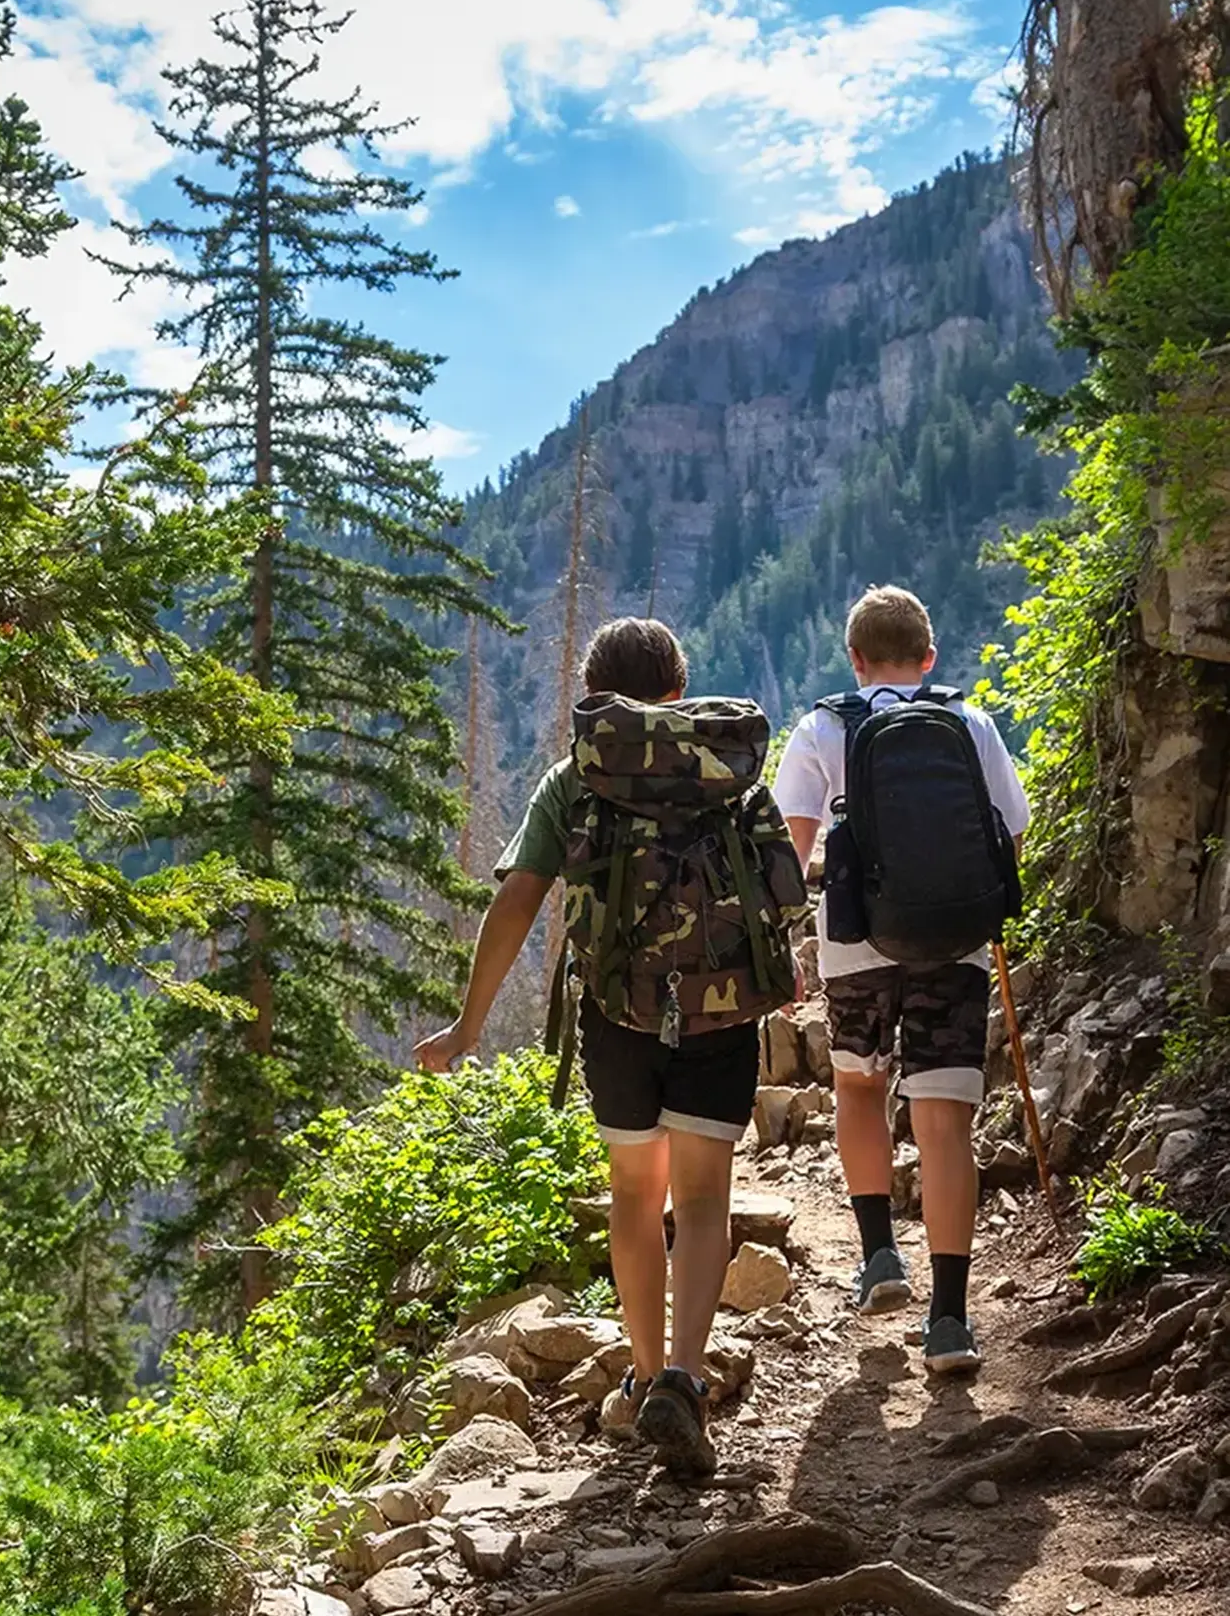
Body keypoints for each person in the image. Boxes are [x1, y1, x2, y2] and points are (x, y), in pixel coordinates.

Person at [416, 618, 793, 1476]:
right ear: (678, 689)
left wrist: (468, 1026)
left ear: (594, 695)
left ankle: (645, 1369)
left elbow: (516, 902)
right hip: (720, 1012)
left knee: (635, 1195)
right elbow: (779, 890)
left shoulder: (573, 780)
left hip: (618, 1018)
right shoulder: (728, 769)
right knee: (702, 1203)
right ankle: (687, 1383)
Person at [772, 586, 1029, 1376]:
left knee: (857, 1086)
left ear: (853, 659)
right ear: (929, 657)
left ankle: (880, 1253)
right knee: (946, 1121)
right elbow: (1011, 831)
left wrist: (787, 941)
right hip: (954, 939)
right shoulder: (968, 722)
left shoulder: (823, 726)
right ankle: (950, 1319)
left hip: (855, 940)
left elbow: (788, 851)